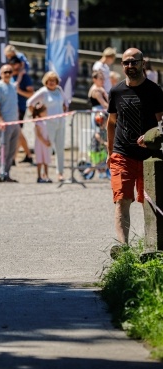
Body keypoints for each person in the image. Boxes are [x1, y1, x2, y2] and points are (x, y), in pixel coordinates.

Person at [106, 47, 163, 257]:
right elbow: (111, 123)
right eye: (126, 63)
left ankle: (152, 248)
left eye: (134, 62)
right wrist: (109, 151)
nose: (130, 66)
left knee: (151, 202)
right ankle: (123, 248)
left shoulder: (154, 90)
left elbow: (162, 122)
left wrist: (152, 136)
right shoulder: (116, 91)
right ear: (122, 66)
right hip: (122, 154)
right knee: (122, 199)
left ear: (142, 63)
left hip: (150, 156)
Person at [26, 71, 69, 182]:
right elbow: (29, 102)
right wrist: (36, 116)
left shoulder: (59, 90)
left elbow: (66, 102)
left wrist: (65, 108)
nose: (51, 83)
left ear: (56, 82)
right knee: (48, 148)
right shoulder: (43, 91)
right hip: (48, 124)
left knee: (60, 148)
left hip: (60, 122)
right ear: (46, 81)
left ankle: (60, 173)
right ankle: (46, 173)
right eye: (49, 81)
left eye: (53, 81)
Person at [0, 64, 20, 183]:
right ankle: (1, 172)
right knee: (4, 148)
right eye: (5, 72)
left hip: (15, 122)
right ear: (1, 74)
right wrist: (1, 120)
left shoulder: (13, 86)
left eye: (9, 71)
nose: (7, 74)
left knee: (12, 150)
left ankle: (7, 172)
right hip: (5, 123)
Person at [9, 56, 34, 165]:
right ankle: (28, 155)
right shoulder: (10, 76)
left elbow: (31, 94)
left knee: (17, 133)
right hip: (11, 108)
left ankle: (13, 157)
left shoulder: (24, 78)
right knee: (18, 132)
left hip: (20, 108)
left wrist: (19, 91)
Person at [82, 112, 109, 180]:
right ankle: (86, 172)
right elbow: (97, 137)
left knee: (104, 162)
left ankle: (102, 174)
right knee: (97, 165)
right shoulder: (98, 129)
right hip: (95, 150)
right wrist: (104, 143)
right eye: (106, 121)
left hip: (100, 150)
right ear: (102, 121)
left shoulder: (104, 130)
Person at [29, 102, 52, 183]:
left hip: (45, 144)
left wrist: (48, 141)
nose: (46, 113)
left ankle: (46, 175)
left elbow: (47, 132)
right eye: (44, 112)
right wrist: (45, 141)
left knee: (46, 160)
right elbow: (38, 134)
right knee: (39, 161)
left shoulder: (45, 122)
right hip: (40, 144)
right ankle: (39, 176)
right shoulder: (38, 123)